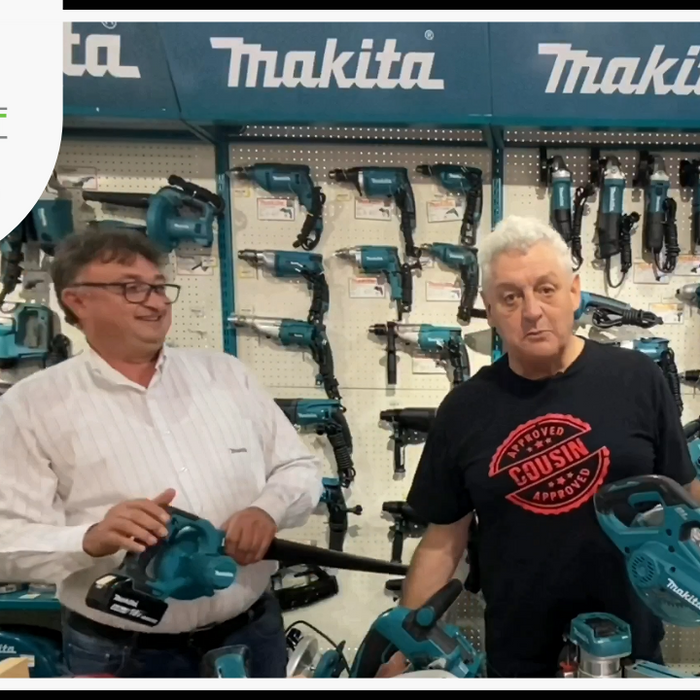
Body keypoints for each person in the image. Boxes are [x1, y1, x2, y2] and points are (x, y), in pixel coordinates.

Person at [379, 215, 700, 678]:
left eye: (546, 289)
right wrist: (398, 650)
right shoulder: (464, 409)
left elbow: (687, 496)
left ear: (574, 292)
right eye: (511, 297)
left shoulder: (638, 380)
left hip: (632, 651)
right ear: (490, 310)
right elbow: (442, 543)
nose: (531, 311)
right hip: (520, 658)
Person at [0, 229, 323, 678]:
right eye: (132, 288)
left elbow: (299, 467)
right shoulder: (28, 406)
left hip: (252, 633)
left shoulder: (226, 376)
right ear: (77, 300)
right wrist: (90, 539)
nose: (155, 302)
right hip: (123, 652)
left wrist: (268, 510)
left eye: (158, 287)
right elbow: (7, 540)